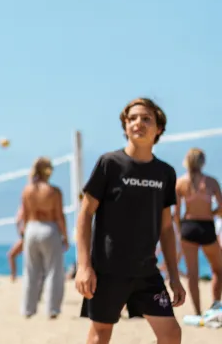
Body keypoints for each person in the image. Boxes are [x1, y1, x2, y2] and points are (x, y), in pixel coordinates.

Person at [75, 98, 185, 344]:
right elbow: (85, 214)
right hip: (108, 271)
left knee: (171, 334)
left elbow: (166, 227)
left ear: (158, 129)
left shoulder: (165, 173)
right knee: (100, 334)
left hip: (147, 272)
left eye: (146, 118)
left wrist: (175, 277)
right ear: (125, 127)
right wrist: (84, 266)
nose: (138, 123)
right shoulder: (110, 164)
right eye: (132, 118)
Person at [174, 148, 222, 315]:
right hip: (206, 226)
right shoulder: (211, 182)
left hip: (188, 226)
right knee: (218, 269)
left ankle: (197, 312)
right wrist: (212, 213)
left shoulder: (180, 182)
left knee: (192, 274)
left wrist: (181, 231)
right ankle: (216, 305)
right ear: (203, 162)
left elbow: (176, 213)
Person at [20, 157, 68, 318]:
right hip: (49, 228)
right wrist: (65, 236)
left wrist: (24, 235)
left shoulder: (27, 190)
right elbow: (59, 216)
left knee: (31, 271)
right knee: (54, 271)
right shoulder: (54, 191)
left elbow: (24, 216)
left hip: (31, 229)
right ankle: (52, 309)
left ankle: (28, 309)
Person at [8, 205, 24, 282]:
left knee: (11, 255)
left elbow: (19, 220)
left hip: (27, 237)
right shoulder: (22, 208)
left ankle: (13, 276)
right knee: (11, 255)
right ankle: (13, 275)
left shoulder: (25, 207)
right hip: (25, 236)